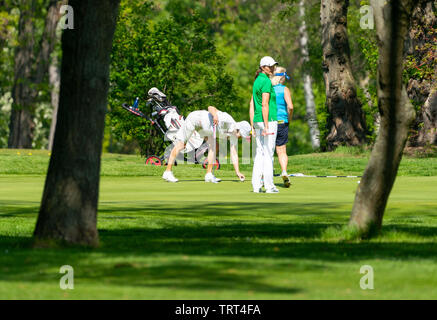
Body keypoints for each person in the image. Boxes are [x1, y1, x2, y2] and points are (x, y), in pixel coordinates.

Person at [162, 106, 251, 183]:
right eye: (241, 135)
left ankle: (209, 174)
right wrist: (215, 115)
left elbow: (234, 153)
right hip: (195, 118)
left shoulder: (233, 135)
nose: (240, 137)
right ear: (238, 128)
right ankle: (167, 172)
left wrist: (238, 172)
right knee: (181, 145)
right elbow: (210, 107)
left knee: (214, 146)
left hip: (205, 127)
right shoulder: (227, 119)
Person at [249, 56, 279, 193]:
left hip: (257, 120)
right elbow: (265, 104)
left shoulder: (257, 81)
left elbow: (251, 104)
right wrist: (267, 126)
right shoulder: (266, 81)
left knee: (260, 153)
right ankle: (269, 186)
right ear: (263, 67)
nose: (273, 68)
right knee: (268, 153)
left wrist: (252, 125)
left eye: (273, 66)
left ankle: (256, 186)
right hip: (268, 120)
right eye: (270, 66)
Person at [270, 67, 294, 188]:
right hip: (282, 122)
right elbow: (290, 107)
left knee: (269, 150)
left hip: (270, 122)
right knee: (281, 150)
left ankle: (266, 175)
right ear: (282, 77)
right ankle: (284, 171)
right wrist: (288, 120)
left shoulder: (268, 89)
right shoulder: (284, 89)